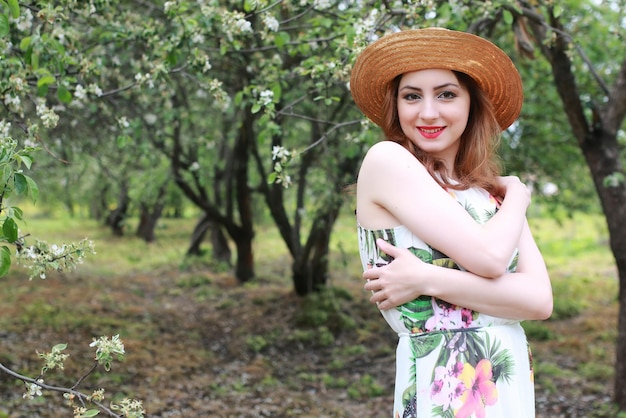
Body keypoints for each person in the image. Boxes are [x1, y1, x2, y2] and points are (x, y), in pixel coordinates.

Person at [350, 28, 553, 417]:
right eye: (412, 96)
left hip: (503, 381)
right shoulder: (385, 161)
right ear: (397, 106)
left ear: (471, 105)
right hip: (440, 380)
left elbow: (539, 300)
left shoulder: (490, 195)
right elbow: (492, 258)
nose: (427, 112)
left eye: (446, 94)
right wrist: (520, 196)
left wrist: (429, 279)